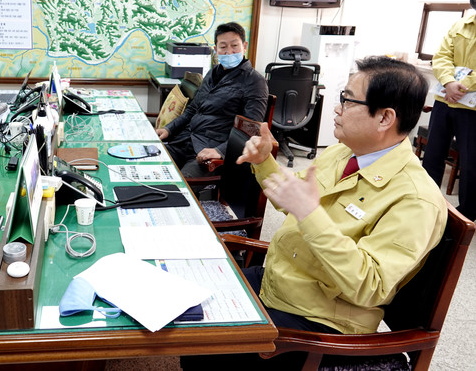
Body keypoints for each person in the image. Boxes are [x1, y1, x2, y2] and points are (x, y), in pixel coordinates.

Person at [182, 56, 447, 368]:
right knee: (192, 300)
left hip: (321, 322)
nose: (337, 108)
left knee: (206, 340)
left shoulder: (415, 198)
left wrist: (311, 215)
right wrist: (264, 161)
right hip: (281, 284)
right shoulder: (342, 153)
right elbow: (292, 196)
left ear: (385, 118)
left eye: (348, 100)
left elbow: (370, 285)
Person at [155, 22, 268, 178]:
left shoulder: (255, 82)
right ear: (216, 50)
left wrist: (219, 151)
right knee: (149, 163)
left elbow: (251, 130)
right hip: (185, 140)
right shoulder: (212, 73)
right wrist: (169, 129)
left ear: (244, 46)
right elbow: (192, 109)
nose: (229, 52)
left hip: (210, 152)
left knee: (180, 186)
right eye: (223, 47)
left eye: (234, 45)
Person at [422, 0, 476, 221]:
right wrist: (449, 82)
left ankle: (465, 217)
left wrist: (463, 85)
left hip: (472, 109)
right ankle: (426, 205)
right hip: (445, 101)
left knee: (471, 164)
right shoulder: (460, 25)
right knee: (432, 156)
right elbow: (441, 56)